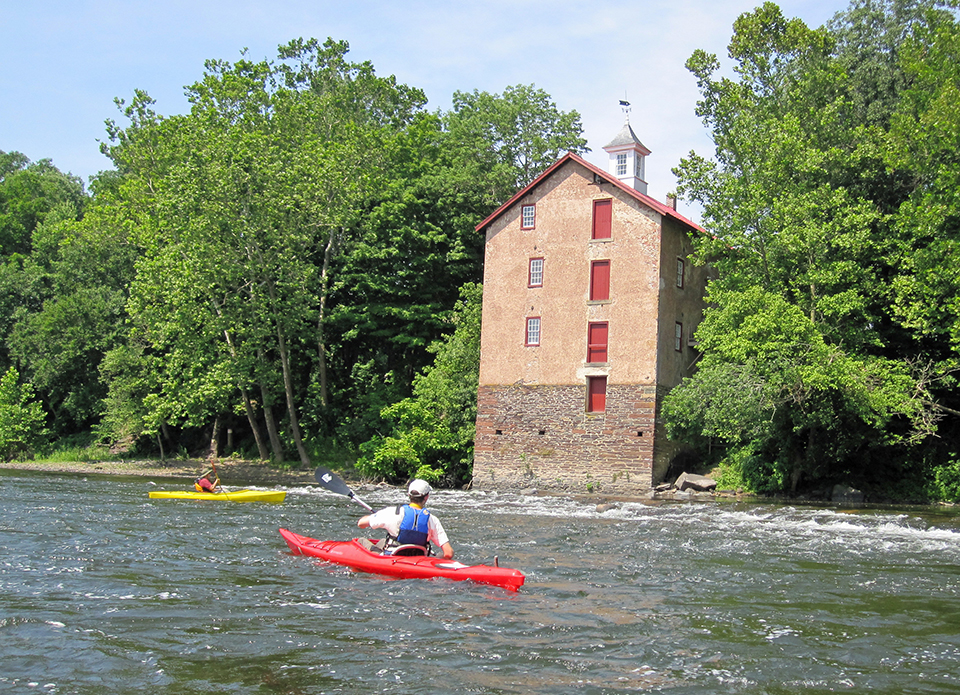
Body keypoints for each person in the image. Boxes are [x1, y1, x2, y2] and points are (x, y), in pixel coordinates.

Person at [357, 479, 454, 559]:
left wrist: (375, 516)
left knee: (360, 540)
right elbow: (448, 553)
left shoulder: (392, 512)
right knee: (382, 541)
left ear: (409, 495)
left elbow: (361, 524)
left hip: (392, 558)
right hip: (418, 560)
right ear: (426, 497)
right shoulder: (432, 519)